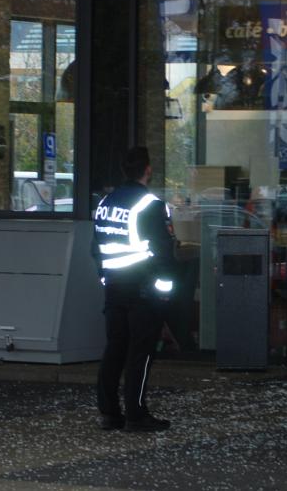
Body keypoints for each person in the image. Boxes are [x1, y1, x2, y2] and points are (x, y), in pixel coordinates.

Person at [93, 147, 176, 433]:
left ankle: (109, 413)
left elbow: (97, 248)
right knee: (140, 353)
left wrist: (105, 278)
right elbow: (165, 253)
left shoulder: (105, 202)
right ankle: (136, 414)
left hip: (114, 286)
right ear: (148, 169)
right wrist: (164, 291)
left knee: (114, 349)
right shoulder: (151, 205)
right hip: (142, 288)